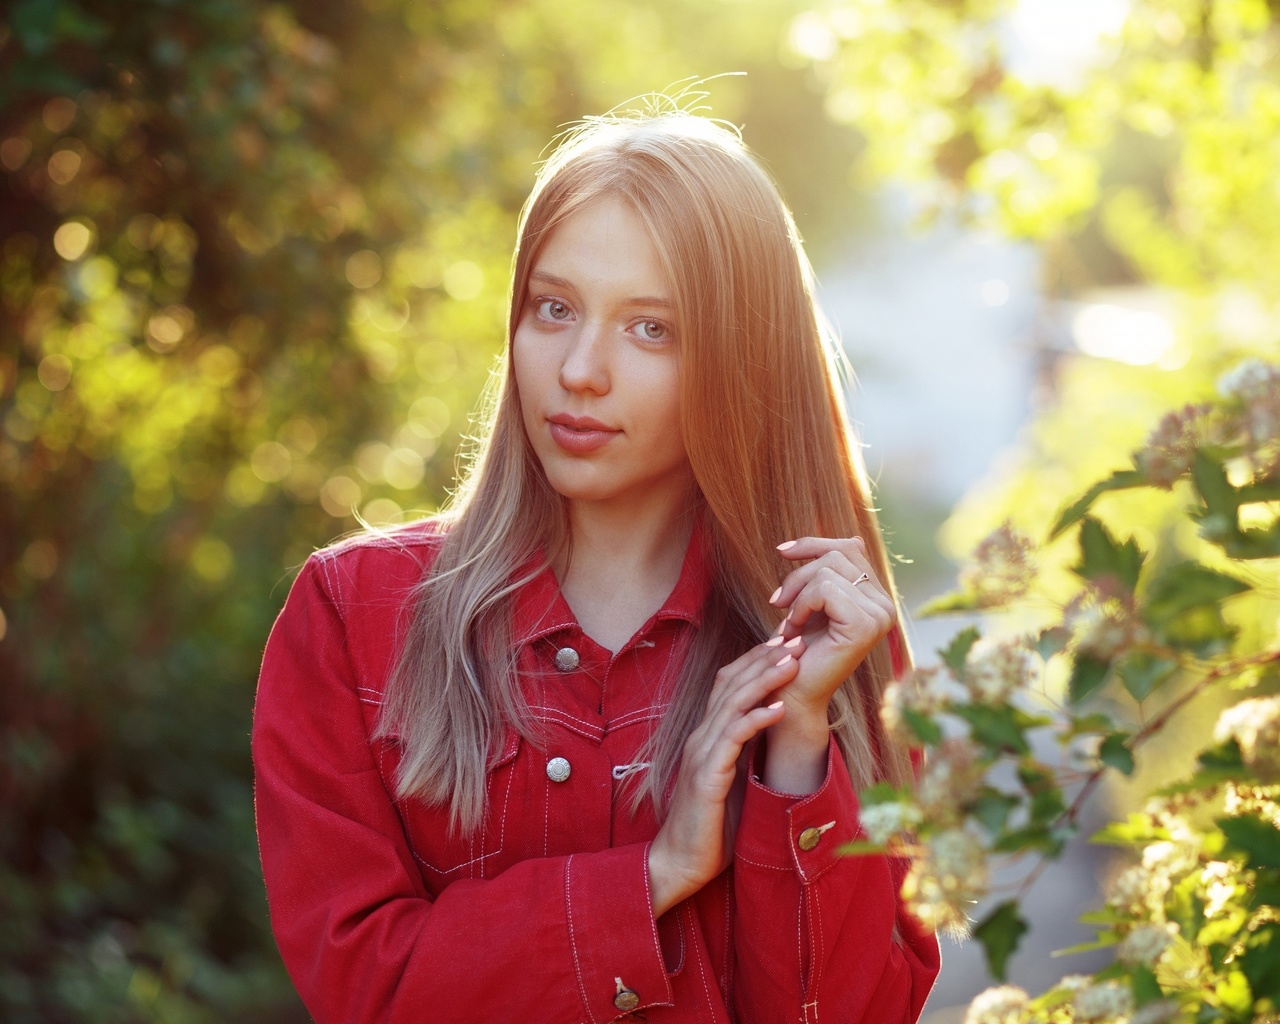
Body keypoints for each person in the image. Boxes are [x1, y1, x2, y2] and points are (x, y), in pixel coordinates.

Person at [252, 105, 941, 1023]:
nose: (581, 369)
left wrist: (797, 751)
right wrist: (652, 878)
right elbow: (366, 989)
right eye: (556, 309)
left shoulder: (831, 645)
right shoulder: (351, 614)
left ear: (741, 361)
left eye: (650, 329)